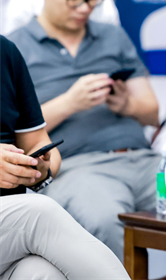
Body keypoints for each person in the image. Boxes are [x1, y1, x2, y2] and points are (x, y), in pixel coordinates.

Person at [8, 0, 160, 261]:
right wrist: (69, 102)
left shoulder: (113, 36)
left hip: (143, 159)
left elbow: (152, 112)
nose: (84, 8)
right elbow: (16, 136)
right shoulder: (14, 48)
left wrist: (128, 105)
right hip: (77, 167)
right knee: (104, 219)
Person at [0, 34, 129, 279]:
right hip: (21, 217)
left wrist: (38, 168)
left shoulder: (5, 52)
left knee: (44, 273)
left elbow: (38, 142)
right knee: (38, 214)